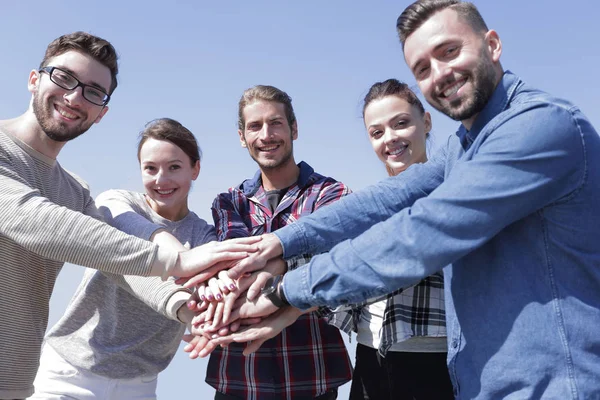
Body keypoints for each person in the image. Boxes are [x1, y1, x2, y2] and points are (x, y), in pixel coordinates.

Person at [208, 1, 600, 399]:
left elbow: (422, 233)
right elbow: (385, 199)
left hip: (558, 384)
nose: (440, 74)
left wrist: (285, 291)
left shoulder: (539, 127)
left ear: (493, 45)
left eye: (449, 51)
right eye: (423, 69)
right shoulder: (462, 148)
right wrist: (278, 243)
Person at [0, 32, 255, 400]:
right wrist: (178, 258)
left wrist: (187, 310)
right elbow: (33, 219)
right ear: (34, 79)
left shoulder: (75, 192)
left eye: (92, 91)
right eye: (64, 78)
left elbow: (122, 265)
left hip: (15, 382)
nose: (74, 97)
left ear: (101, 113)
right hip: (65, 376)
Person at [31, 118, 230, 398]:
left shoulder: (204, 237)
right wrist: (182, 257)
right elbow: (136, 245)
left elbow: (207, 291)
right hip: (70, 373)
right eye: (150, 168)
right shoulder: (116, 205)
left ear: (195, 169)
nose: (161, 180)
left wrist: (204, 317)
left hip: (139, 385)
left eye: (174, 167)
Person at [205, 85, 352, 400]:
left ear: (294, 129)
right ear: (242, 137)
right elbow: (236, 269)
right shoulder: (230, 201)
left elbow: (332, 268)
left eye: (275, 123)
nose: (266, 135)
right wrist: (295, 261)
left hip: (312, 375)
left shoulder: (331, 194)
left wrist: (276, 266)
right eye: (255, 126)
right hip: (239, 376)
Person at [341, 79, 452, 399]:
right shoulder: (366, 207)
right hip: (370, 361)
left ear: (426, 121)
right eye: (377, 132)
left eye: (401, 123)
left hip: (434, 362)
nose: (390, 139)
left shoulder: (455, 196)